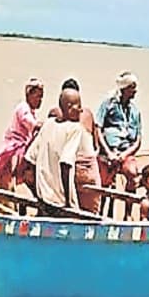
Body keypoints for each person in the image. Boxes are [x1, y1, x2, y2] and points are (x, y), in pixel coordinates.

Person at [22, 87, 93, 210]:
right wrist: (67, 203)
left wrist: (37, 193)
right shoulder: (75, 129)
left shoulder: (48, 124)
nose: (81, 110)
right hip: (60, 201)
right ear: (69, 108)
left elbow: (29, 161)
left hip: (43, 199)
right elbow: (65, 164)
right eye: (78, 106)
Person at [42, 78, 101, 212]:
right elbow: (96, 142)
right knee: (91, 213)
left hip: (71, 171)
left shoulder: (53, 117)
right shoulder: (85, 115)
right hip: (85, 168)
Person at [0, 78, 44, 189]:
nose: (40, 100)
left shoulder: (31, 112)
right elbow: (29, 121)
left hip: (22, 146)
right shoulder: (23, 108)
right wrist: (44, 126)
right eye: (38, 96)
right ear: (29, 95)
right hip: (14, 147)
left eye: (41, 97)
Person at [96, 71, 143, 191]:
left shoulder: (135, 111)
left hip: (125, 153)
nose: (135, 91)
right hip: (107, 153)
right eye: (132, 87)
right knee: (102, 182)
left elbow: (138, 140)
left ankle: (128, 201)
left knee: (133, 174)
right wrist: (109, 153)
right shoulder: (108, 105)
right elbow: (98, 129)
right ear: (124, 88)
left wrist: (124, 155)